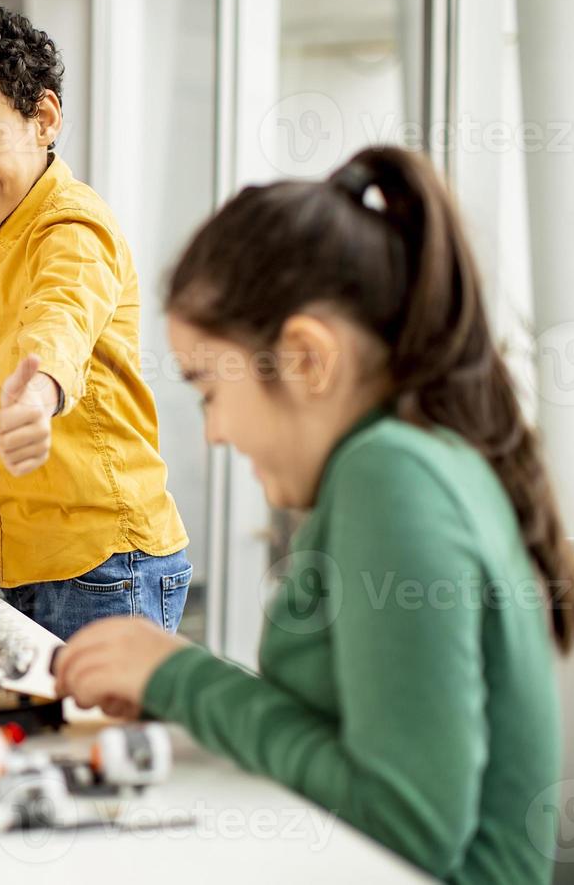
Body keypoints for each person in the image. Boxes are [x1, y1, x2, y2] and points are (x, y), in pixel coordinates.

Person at [53, 146, 569, 883]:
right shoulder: (412, 460)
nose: (214, 432)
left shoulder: (391, 475)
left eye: (208, 389)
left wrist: (179, 677)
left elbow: (409, 822)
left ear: (305, 359)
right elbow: (347, 740)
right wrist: (174, 679)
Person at [0, 0, 190, 640]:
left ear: (44, 118)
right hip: (29, 563)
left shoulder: (71, 227)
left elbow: (60, 320)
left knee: (97, 744)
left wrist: (35, 398)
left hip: (105, 569)